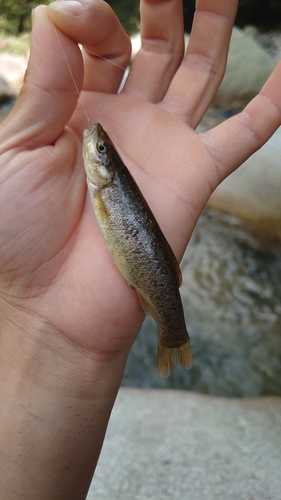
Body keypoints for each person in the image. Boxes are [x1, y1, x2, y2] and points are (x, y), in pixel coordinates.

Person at [0, 0, 280, 497]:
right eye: (102, 150)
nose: (95, 147)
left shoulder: (105, 186)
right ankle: (174, 333)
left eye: (99, 151)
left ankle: (174, 334)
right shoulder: (99, 183)